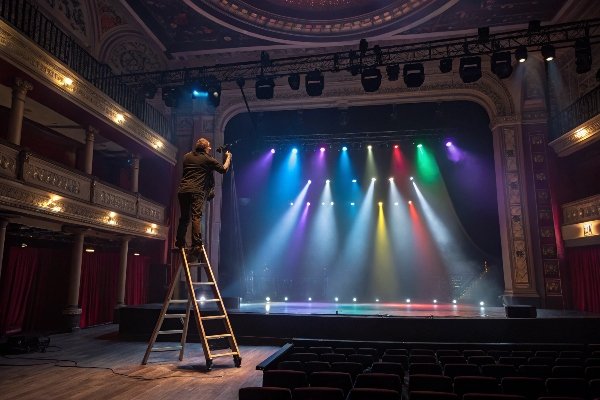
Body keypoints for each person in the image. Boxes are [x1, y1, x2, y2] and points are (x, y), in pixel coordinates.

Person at [175, 137, 231, 254]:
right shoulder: (207, 159)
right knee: (196, 216)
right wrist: (228, 158)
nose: (210, 148)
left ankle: (179, 242)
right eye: (209, 147)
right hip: (196, 191)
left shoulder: (186, 156)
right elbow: (223, 169)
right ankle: (196, 244)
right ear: (205, 148)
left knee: (184, 218)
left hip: (183, 190)